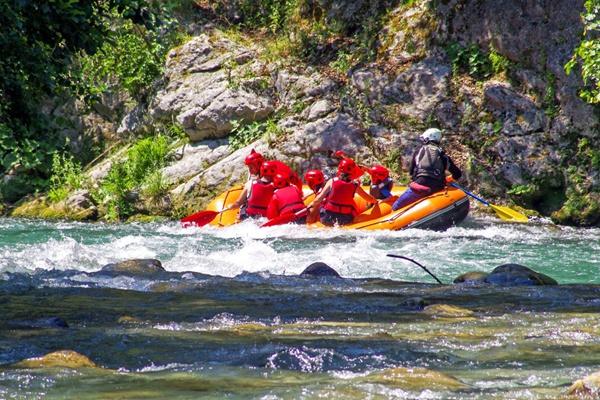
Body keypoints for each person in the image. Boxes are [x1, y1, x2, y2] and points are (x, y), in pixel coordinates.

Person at [392, 128, 462, 211]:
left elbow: (412, 173)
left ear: (427, 139)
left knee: (395, 207)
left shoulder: (419, 152)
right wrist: (449, 179)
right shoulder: (443, 155)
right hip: (437, 188)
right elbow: (457, 174)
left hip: (420, 187)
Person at [308, 158, 377, 226]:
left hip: (328, 217)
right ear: (353, 171)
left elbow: (318, 199)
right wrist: (376, 201)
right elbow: (368, 198)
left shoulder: (332, 181)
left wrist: (309, 206)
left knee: (322, 203)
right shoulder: (355, 185)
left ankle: (311, 221)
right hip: (344, 219)